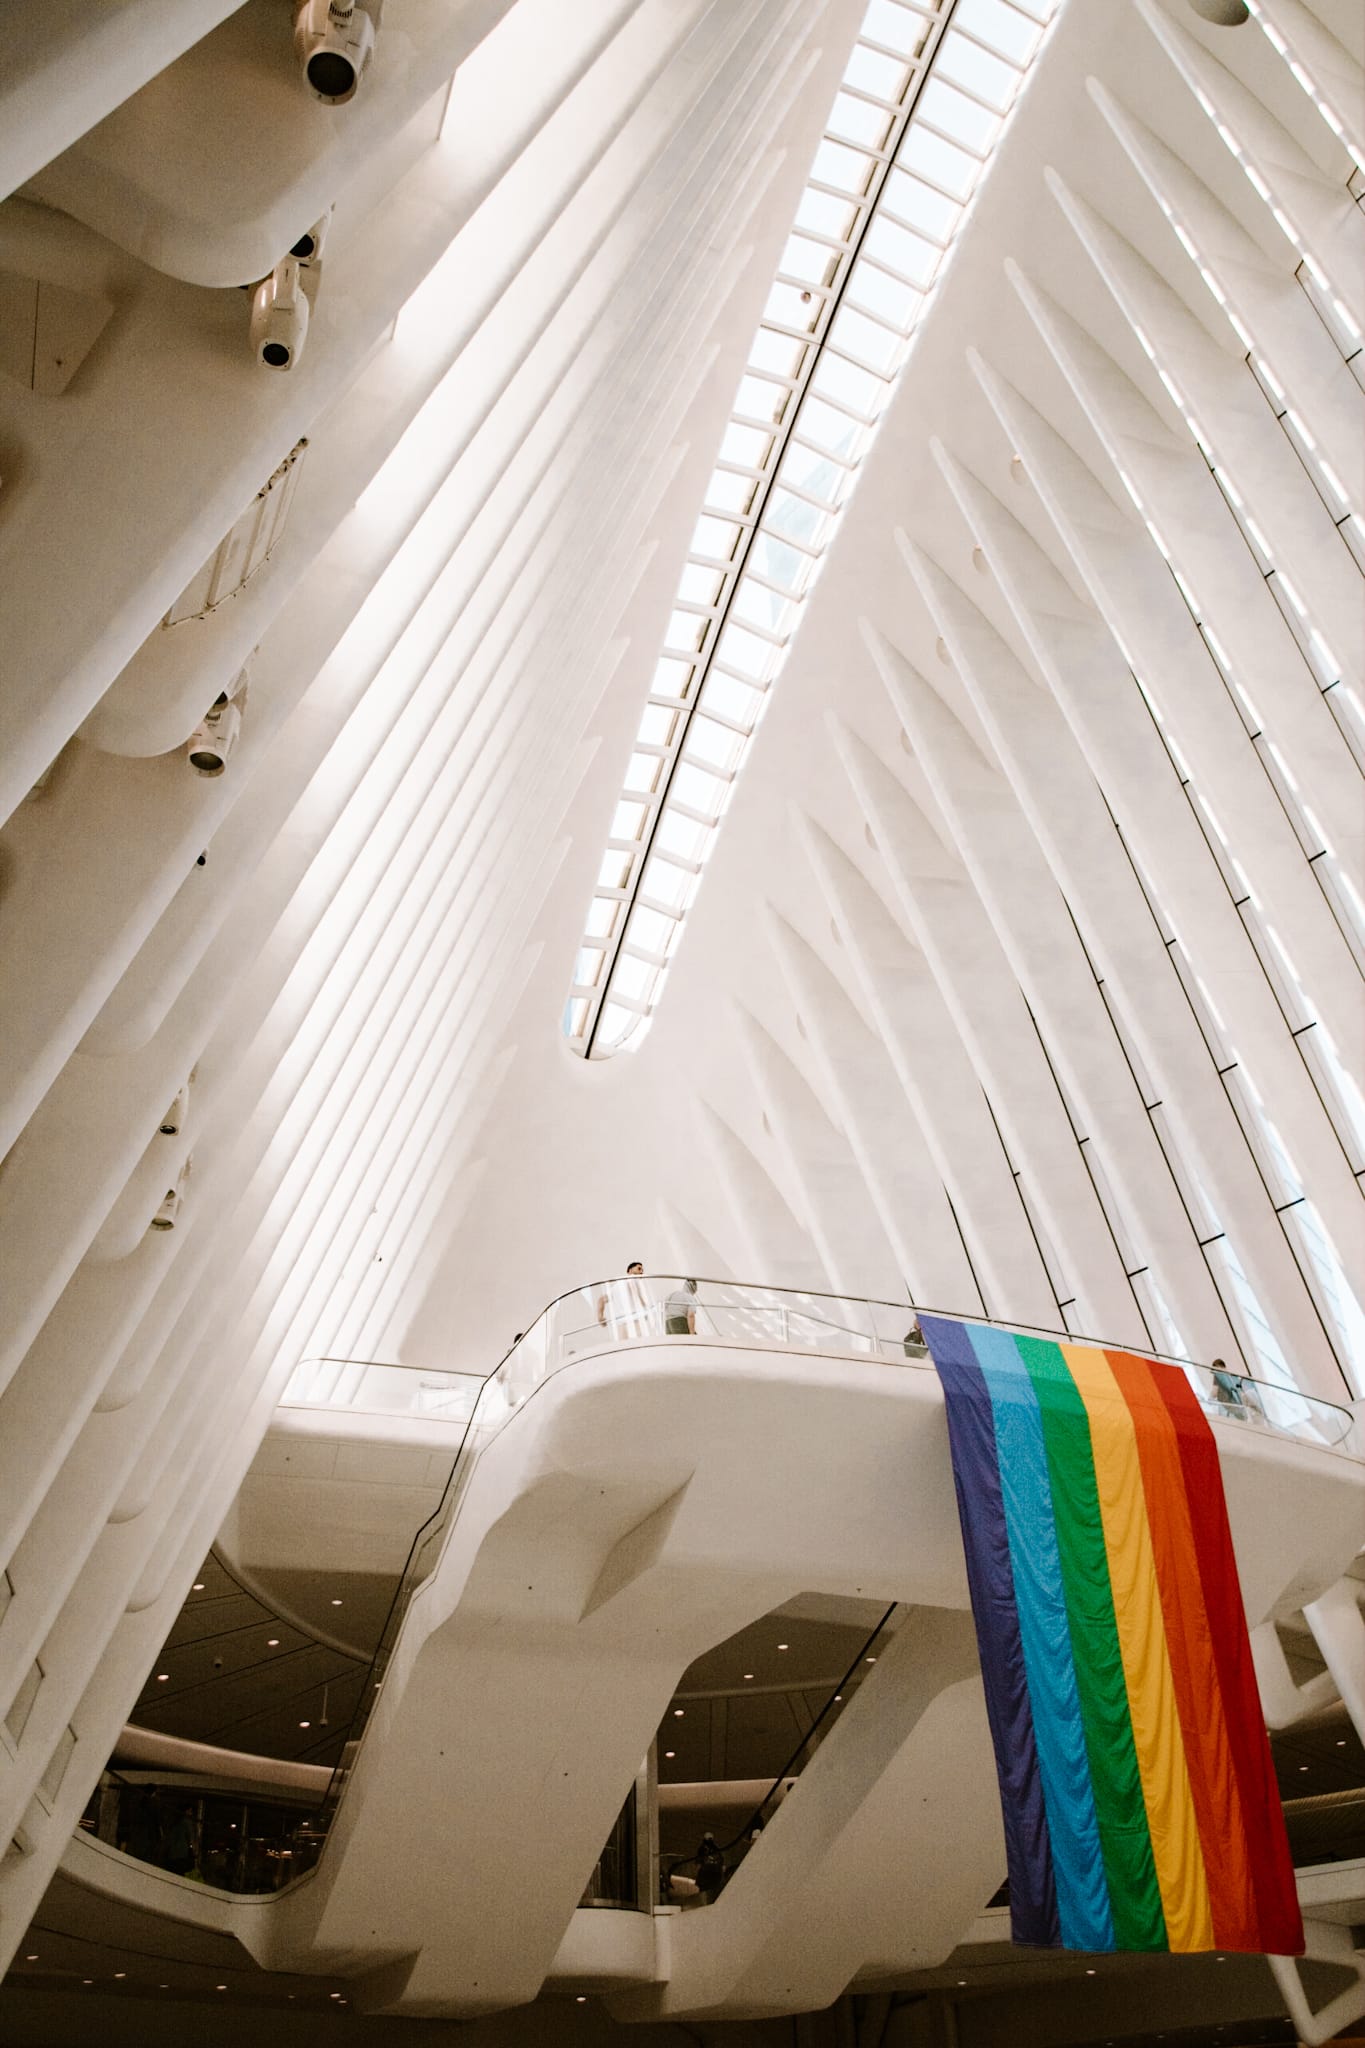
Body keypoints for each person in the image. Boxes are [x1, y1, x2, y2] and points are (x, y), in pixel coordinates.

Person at [594, 1262, 652, 1340]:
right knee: (641, 1346)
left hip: (621, 1325)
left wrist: (600, 1317)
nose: (641, 1272)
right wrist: (647, 1309)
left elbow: (601, 1300)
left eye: (642, 1270)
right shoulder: (634, 1280)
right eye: (639, 1269)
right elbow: (635, 1291)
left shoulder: (617, 1286)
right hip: (635, 1321)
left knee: (625, 1348)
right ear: (630, 1271)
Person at [695, 1831, 725, 1904]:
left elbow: (699, 1862)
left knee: (705, 1892)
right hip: (713, 1875)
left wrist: (697, 1873)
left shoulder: (703, 1849)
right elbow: (721, 1862)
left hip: (707, 1875)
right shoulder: (716, 1849)